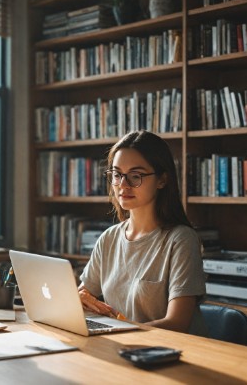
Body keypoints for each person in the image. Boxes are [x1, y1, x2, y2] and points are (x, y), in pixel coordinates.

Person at [78, 130, 207, 335]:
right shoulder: (109, 239)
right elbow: (84, 295)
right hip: (120, 347)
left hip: (166, 354)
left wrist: (118, 330)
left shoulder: (181, 240)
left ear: (162, 180)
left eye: (136, 176)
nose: (123, 185)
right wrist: (80, 300)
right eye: (117, 175)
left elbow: (177, 323)